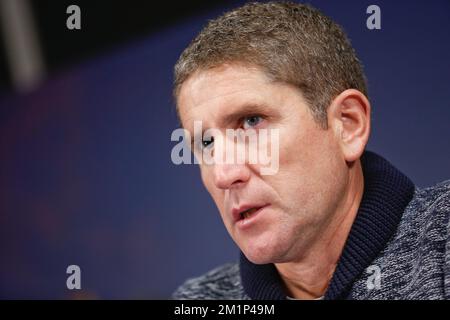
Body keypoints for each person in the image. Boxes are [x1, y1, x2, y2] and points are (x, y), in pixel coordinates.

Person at [171, 1, 450, 300]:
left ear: (348, 124)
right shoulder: (200, 299)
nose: (224, 175)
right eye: (206, 143)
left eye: (251, 122)